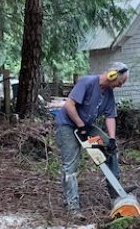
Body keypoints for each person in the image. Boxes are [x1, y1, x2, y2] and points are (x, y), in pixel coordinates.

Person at [55, 62, 129, 213]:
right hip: (68, 125)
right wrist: (80, 125)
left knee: (110, 148)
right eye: (119, 82)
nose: (119, 86)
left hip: (85, 126)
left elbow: (110, 116)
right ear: (112, 75)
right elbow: (69, 105)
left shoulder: (108, 93)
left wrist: (112, 139)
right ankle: (72, 207)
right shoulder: (87, 82)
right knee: (71, 165)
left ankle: (116, 193)